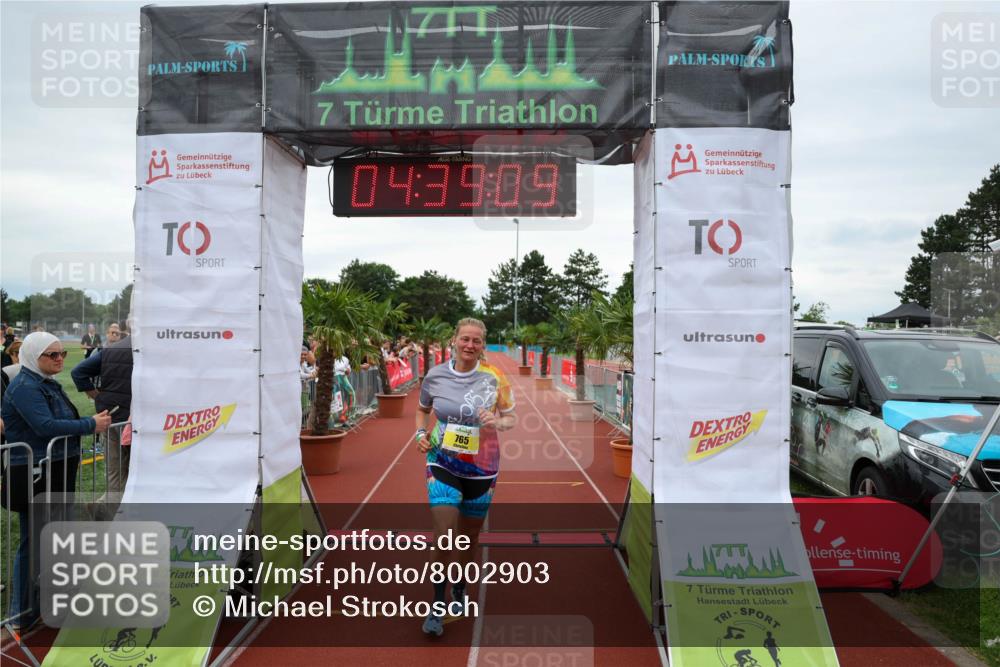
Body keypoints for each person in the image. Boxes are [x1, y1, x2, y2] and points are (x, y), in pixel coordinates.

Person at [1, 332, 112, 632]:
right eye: (52, 355)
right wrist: (91, 424)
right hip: (36, 473)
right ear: (33, 356)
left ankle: (43, 605)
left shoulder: (43, 382)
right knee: (34, 542)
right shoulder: (25, 387)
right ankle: (22, 612)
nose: (60, 358)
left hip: (54, 469)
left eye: (62, 353)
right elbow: (45, 426)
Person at [415, 318, 516, 637]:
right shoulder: (435, 375)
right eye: (465, 339)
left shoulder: (494, 377)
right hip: (442, 461)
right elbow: (422, 409)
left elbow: (511, 417)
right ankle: (436, 603)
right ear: (454, 340)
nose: (470, 345)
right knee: (444, 533)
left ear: (482, 345)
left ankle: (459, 586)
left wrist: (497, 423)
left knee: (469, 536)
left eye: (476, 340)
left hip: (483, 465)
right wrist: (420, 433)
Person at [69, 323, 132, 495]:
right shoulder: (149, 350)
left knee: (114, 472)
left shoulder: (111, 349)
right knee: (134, 472)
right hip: (130, 420)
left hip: (111, 416)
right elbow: (78, 373)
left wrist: (99, 397)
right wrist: (97, 396)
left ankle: (109, 506)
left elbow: (77, 372)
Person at [333, 354, 355, 424]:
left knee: (351, 393)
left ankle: (347, 415)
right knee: (337, 397)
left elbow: (348, 370)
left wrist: (348, 370)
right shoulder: (330, 358)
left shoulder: (345, 358)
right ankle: (338, 417)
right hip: (334, 380)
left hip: (344, 379)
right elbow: (335, 369)